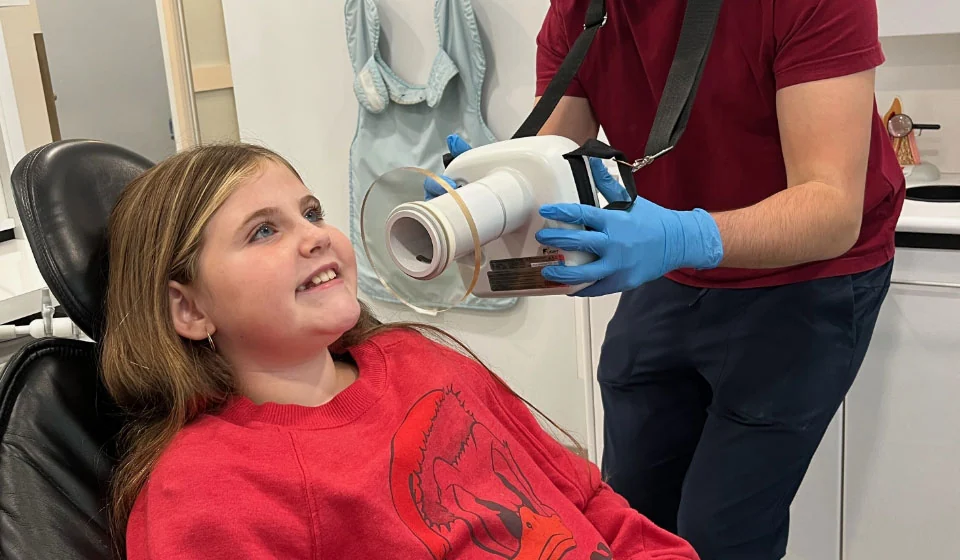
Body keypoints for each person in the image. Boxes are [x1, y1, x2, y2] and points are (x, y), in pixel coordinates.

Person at [428, 1, 904, 558]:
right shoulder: (582, 11)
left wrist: (681, 237)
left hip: (810, 273)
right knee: (625, 510)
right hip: (673, 261)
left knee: (723, 532)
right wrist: (483, 196)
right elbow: (551, 160)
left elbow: (830, 208)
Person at [100, 143, 701, 559]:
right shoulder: (209, 489)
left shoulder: (417, 358)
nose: (314, 235)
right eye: (264, 230)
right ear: (190, 309)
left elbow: (584, 499)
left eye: (311, 212)